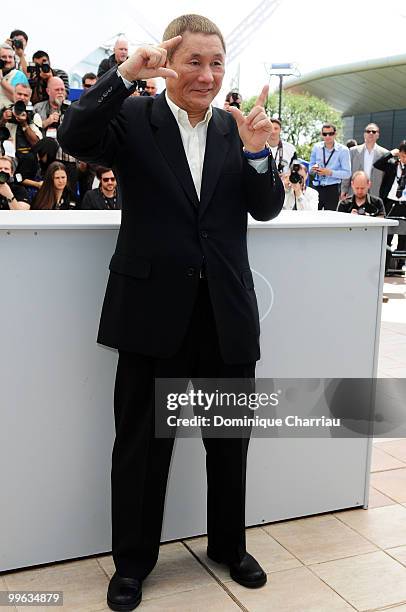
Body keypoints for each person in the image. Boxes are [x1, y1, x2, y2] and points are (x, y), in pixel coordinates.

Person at [58, 12, 284, 611]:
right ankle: (132, 563)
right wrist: (123, 74)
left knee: (229, 440)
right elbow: (74, 137)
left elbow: (264, 209)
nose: (207, 75)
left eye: (217, 63)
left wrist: (261, 156)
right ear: (167, 62)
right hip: (151, 313)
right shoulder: (133, 116)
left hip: (225, 314)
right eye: (194, 61)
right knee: (141, 446)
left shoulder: (238, 129)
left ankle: (229, 547)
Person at [34, 77, 78, 193]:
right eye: (57, 90)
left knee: (70, 196)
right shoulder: (38, 108)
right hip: (48, 160)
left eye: (62, 90)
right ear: (48, 91)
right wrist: (47, 122)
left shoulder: (73, 108)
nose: (60, 93)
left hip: (69, 159)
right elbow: (33, 131)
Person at [0, 83, 42, 195]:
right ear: (13, 94)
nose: (22, 97)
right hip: (7, 160)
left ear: (30, 97)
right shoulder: (5, 111)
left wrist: (24, 124)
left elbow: (37, 143)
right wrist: (3, 120)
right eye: (19, 94)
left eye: (25, 95)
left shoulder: (34, 115)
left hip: (28, 164)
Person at [374, 142, 406, 271]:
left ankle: (399, 265)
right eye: (403, 156)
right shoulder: (393, 164)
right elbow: (377, 164)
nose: (404, 159)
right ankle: (386, 263)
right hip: (390, 202)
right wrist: (391, 153)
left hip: (404, 203)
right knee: (388, 234)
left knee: (403, 236)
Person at [310, 123, 351, 210]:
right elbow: (311, 166)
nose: (327, 136)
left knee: (330, 218)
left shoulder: (343, 150)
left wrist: (330, 172)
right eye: (325, 134)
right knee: (314, 216)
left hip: (333, 188)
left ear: (335, 134)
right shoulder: (316, 147)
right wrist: (314, 169)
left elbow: (347, 173)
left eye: (330, 134)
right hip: (317, 186)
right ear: (322, 134)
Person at [341, 123, 388, 199]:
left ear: (378, 135)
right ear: (364, 134)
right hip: (355, 191)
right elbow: (348, 172)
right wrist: (344, 189)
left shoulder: (384, 153)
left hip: (375, 192)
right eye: (368, 131)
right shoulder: (353, 151)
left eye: (374, 131)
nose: (371, 133)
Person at [0, 44, 29, 109]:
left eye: (10, 57)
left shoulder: (19, 75)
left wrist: (2, 80)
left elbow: (18, 99)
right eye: (4, 57)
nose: (8, 60)